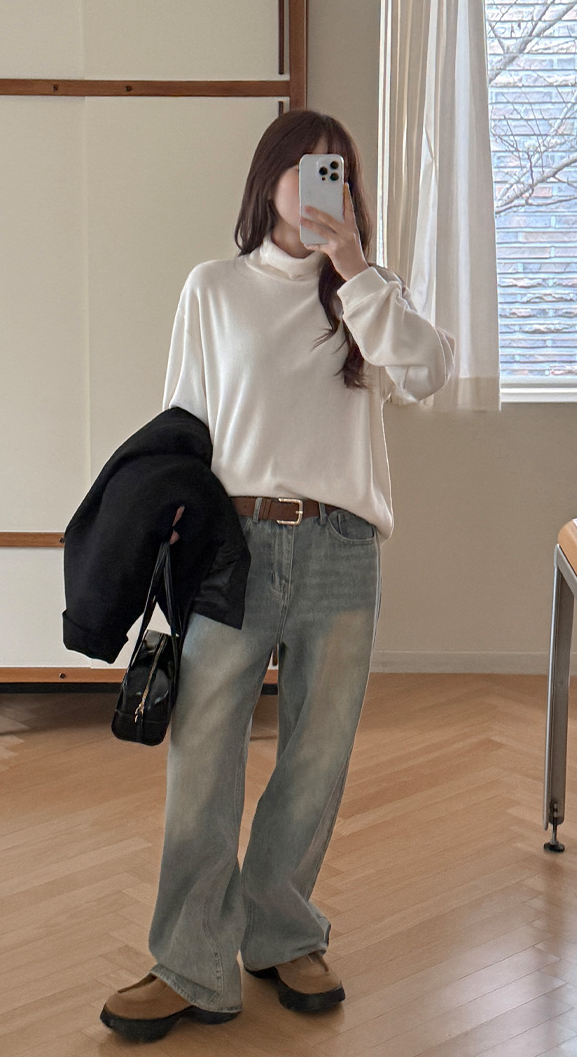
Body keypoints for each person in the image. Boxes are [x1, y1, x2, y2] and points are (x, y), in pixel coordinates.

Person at [100, 109, 456, 1042]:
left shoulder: (369, 295)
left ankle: (282, 931)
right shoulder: (214, 288)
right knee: (203, 757)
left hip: (342, 548)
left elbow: (428, 373)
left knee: (316, 754)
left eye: (336, 171)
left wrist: (356, 269)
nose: (318, 186)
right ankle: (190, 962)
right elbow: (181, 420)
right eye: (303, 168)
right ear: (268, 182)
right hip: (236, 547)